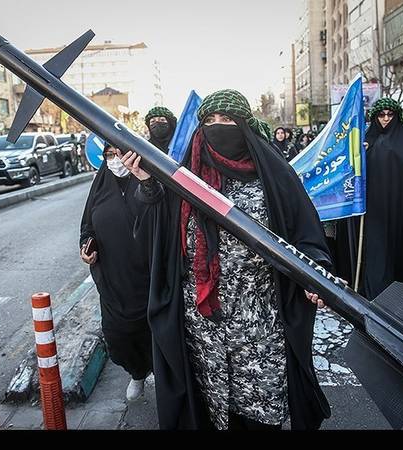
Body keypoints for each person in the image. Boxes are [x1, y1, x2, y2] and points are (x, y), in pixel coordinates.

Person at [122, 89, 333, 430]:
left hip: (260, 323)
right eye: (210, 120)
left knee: (261, 413)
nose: (218, 127)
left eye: (228, 119)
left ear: (245, 125)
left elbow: (304, 233)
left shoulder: (273, 176)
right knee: (212, 413)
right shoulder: (186, 179)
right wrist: (148, 187)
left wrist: (315, 273)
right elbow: (156, 239)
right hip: (203, 329)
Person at [79, 142, 153, 402]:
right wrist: (86, 248)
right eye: (109, 155)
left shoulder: (146, 182)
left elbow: (159, 216)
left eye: (120, 154)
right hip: (113, 279)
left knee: (153, 332)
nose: (114, 160)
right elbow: (87, 227)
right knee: (117, 336)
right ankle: (137, 372)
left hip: (148, 277)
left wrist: (147, 184)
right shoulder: (100, 188)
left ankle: (158, 371)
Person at [360, 98, 403, 298]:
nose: (386, 119)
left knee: (397, 254)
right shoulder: (367, 138)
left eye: (390, 115)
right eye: (381, 115)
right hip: (373, 210)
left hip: (400, 207)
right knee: (376, 254)